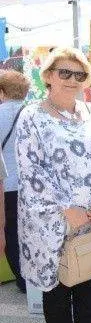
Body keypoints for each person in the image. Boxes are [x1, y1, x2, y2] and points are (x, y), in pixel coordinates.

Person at [14, 47, 91, 323]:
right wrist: (65, 207)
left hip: (90, 220)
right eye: (64, 72)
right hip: (51, 223)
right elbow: (30, 170)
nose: (73, 80)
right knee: (57, 292)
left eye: (79, 74)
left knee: (88, 289)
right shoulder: (31, 116)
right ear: (48, 76)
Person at [0, 70, 30, 292]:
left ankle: (22, 279)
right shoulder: (34, 113)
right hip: (31, 184)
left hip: (7, 184)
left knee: (11, 231)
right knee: (31, 230)